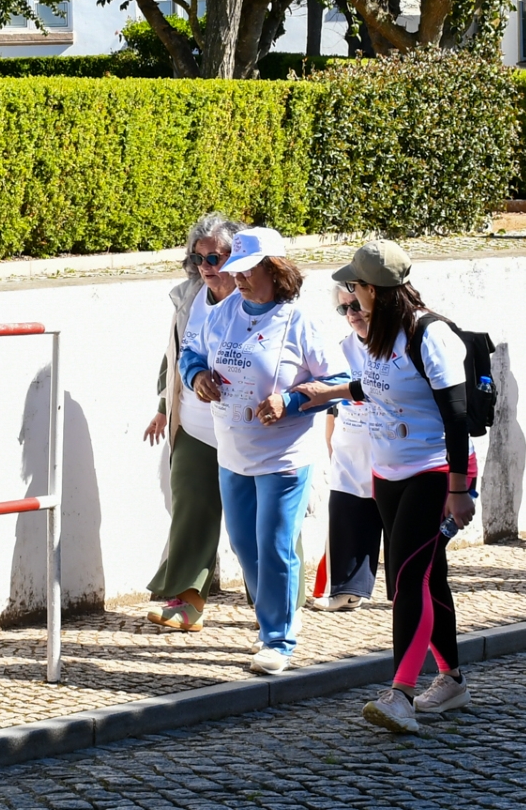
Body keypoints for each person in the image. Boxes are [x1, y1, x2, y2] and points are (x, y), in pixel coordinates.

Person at [297, 239, 474, 735]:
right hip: (387, 471)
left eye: (354, 287)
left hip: (432, 472)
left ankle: (400, 693)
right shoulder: (378, 334)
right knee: (426, 577)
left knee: (406, 581)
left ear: (373, 288)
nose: (349, 296)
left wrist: (459, 492)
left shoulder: (429, 334)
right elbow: (373, 387)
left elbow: (456, 417)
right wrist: (328, 393)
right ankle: (452, 679)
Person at [178, 226, 349, 675]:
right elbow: (189, 352)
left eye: (248, 270)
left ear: (276, 270)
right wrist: (197, 377)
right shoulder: (221, 313)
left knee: (274, 544)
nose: (238, 278)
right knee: (244, 545)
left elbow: (340, 384)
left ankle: (278, 639)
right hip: (232, 451)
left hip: (284, 456)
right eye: (234, 270)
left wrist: (289, 401)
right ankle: (268, 623)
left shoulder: (301, 321)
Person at [142, 212, 238, 632]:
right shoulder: (190, 297)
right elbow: (174, 355)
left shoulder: (261, 298)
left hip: (248, 427)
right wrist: (165, 405)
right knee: (191, 504)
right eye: (199, 259)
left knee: (257, 519)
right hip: (196, 423)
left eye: (215, 258)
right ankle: (185, 599)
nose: (206, 267)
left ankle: (277, 603)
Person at [312, 282, 382, 611]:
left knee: (391, 520)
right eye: (344, 308)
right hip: (349, 443)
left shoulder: (395, 345)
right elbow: (332, 400)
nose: (352, 314)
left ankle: (406, 592)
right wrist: (330, 439)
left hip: (389, 447)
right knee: (345, 514)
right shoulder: (342, 348)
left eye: (355, 305)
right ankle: (345, 590)